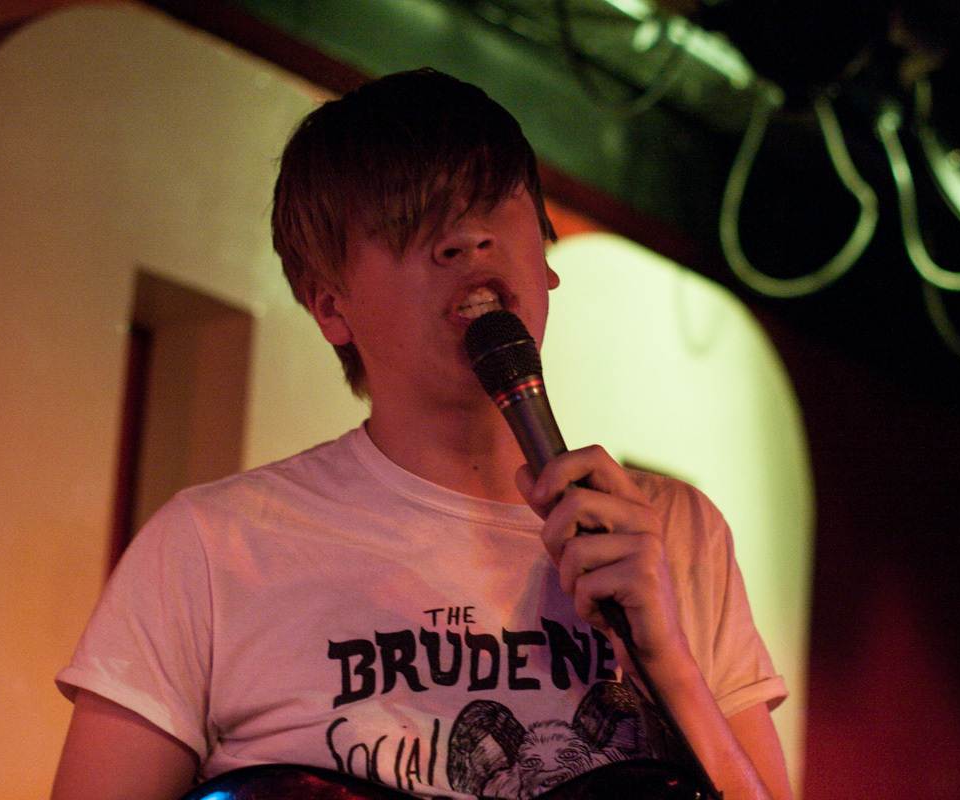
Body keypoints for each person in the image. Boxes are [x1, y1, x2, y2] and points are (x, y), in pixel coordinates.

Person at [50, 68, 793, 800]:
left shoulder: (670, 534)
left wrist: (669, 661)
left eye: (493, 203)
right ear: (331, 308)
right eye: (410, 219)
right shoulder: (209, 548)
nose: (467, 239)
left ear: (544, 258)